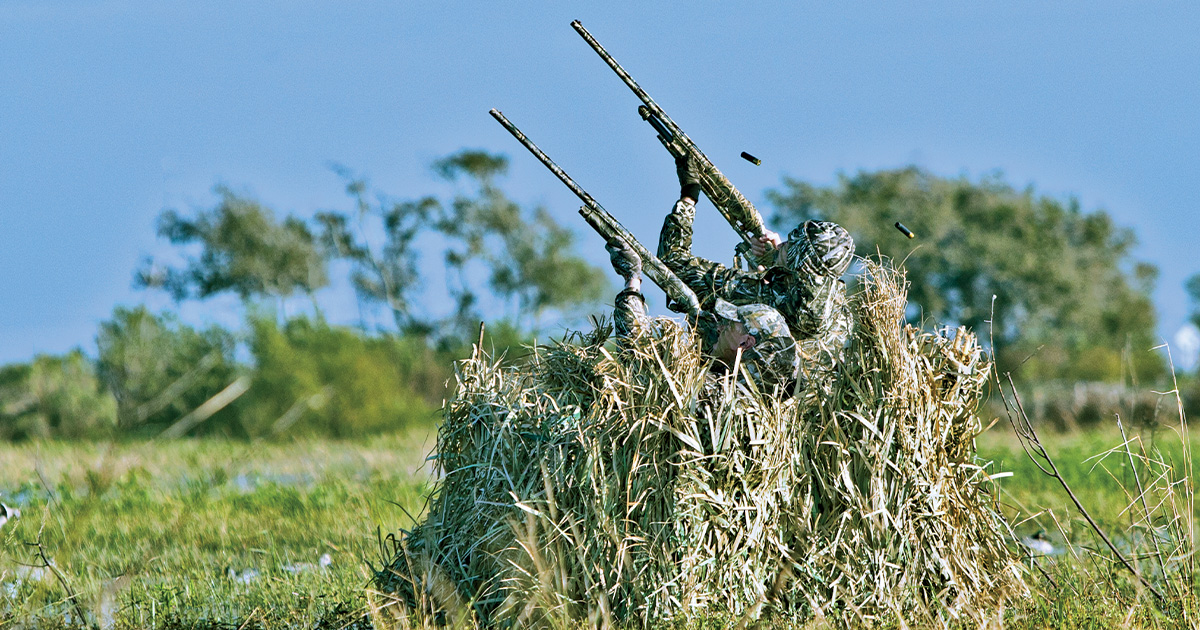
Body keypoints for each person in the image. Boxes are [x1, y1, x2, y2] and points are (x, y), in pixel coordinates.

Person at [658, 157, 854, 379]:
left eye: (793, 245)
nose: (785, 242)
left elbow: (672, 260)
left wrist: (688, 196)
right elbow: (805, 289)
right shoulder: (841, 317)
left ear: (799, 261)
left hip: (715, 387)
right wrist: (777, 260)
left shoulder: (758, 294)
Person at [607, 238, 798, 391]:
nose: (720, 326)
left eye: (730, 324)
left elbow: (640, 364)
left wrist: (632, 280)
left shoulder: (713, 394)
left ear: (745, 343)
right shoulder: (754, 396)